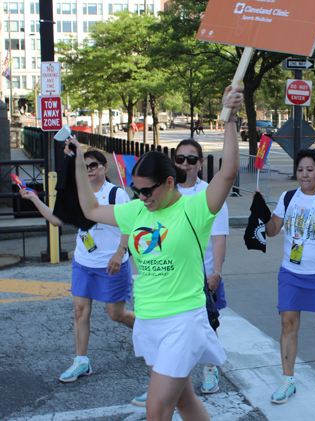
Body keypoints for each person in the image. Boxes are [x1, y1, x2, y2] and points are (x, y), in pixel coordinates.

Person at [66, 85, 243, 421]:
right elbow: (89, 208)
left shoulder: (195, 210)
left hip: (184, 320)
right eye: (137, 189)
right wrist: (78, 161)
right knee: (183, 401)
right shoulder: (135, 211)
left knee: (157, 407)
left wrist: (231, 119)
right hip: (147, 318)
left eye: (148, 190)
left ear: (169, 183)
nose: (142, 196)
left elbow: (228, 172)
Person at [20, 149, 135, 383]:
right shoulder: (77, 195)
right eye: (84, 166)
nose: (89, 170)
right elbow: (56, 220)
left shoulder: (116, 194)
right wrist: (34, 198)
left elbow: (130, 225)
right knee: (80, 311)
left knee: (116, 314)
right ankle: (81, 362)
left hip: (111, 264)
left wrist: (120, 251)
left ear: (104, 167)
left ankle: (152, 333)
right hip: (83, 263)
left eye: (93, 165)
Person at [131, 138, 230, 407]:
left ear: (200, 163)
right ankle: (164, 386)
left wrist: (216, 272)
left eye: (191, 159)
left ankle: (209, 369)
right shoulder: (153, 196)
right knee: (182, 397)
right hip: (164, 287)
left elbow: (219, 238)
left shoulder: (206, 195)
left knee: (207, 324)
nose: (185, 163)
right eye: (180, 158)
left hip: (200, 277)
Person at [257, 148, 315, 405]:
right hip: (291, 273)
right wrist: (262, 210)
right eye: (300, 170)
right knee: (288, 325)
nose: (304, 174)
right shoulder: (288, 197)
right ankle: (288, 380)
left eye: (310, 170)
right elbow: (273, 230)